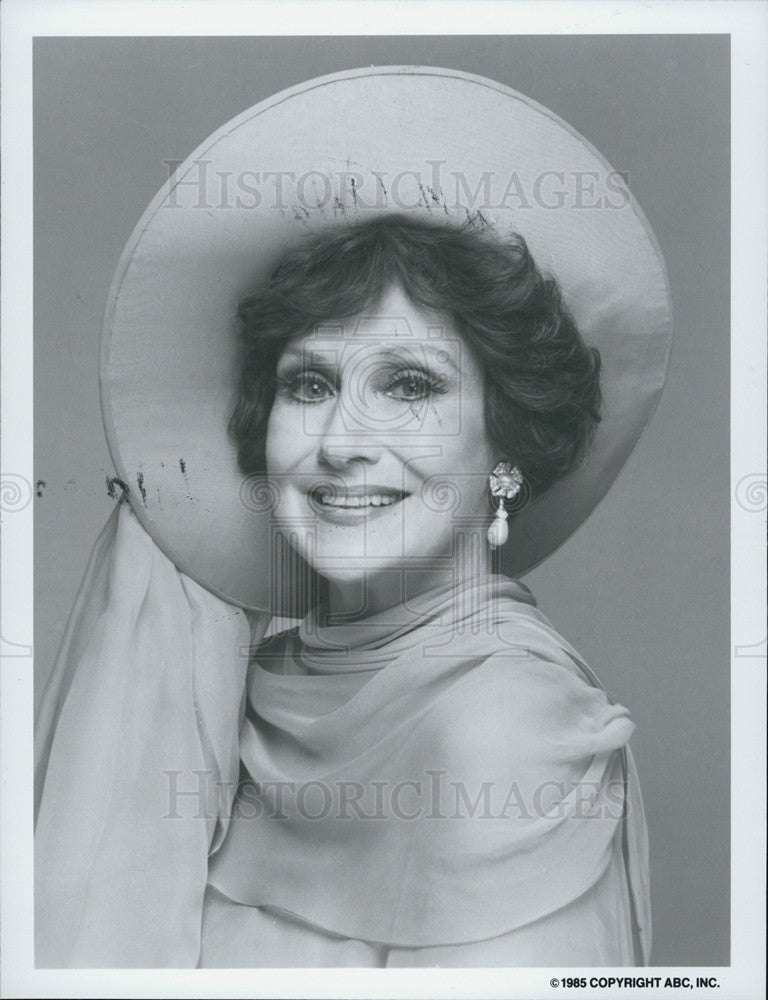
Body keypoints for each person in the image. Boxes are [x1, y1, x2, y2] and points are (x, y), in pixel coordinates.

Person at [34, 66, 670, 969]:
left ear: (507, 443)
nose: (341, 443)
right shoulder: (232, 682)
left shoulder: (500, 728)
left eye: (411, 386)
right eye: (310, 384)